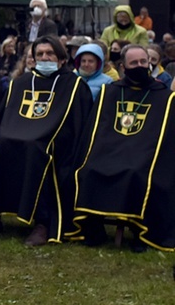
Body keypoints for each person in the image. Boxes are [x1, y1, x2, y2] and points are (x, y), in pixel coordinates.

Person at [0, 35, 93, 246]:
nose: (44, 57)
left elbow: (78, 125)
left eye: (50, 53)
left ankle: (43, 223)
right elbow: (8, 116)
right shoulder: (21, 83)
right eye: (40, 54)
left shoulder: (74, 84)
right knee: (0, 147)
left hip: (57, 143)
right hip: (18, 136)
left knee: (37, 151)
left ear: (61, 58)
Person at [72, 44, 175, 251]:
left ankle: (140, 231)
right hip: (109, 152)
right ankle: (94, 229)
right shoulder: (109, 93)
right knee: (89, 170)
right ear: (123, 66)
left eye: (143, 62)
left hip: (144, 156)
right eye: (134, 63)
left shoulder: (164, 96)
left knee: (138, 174)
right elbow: (96, 131)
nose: (139, 66)